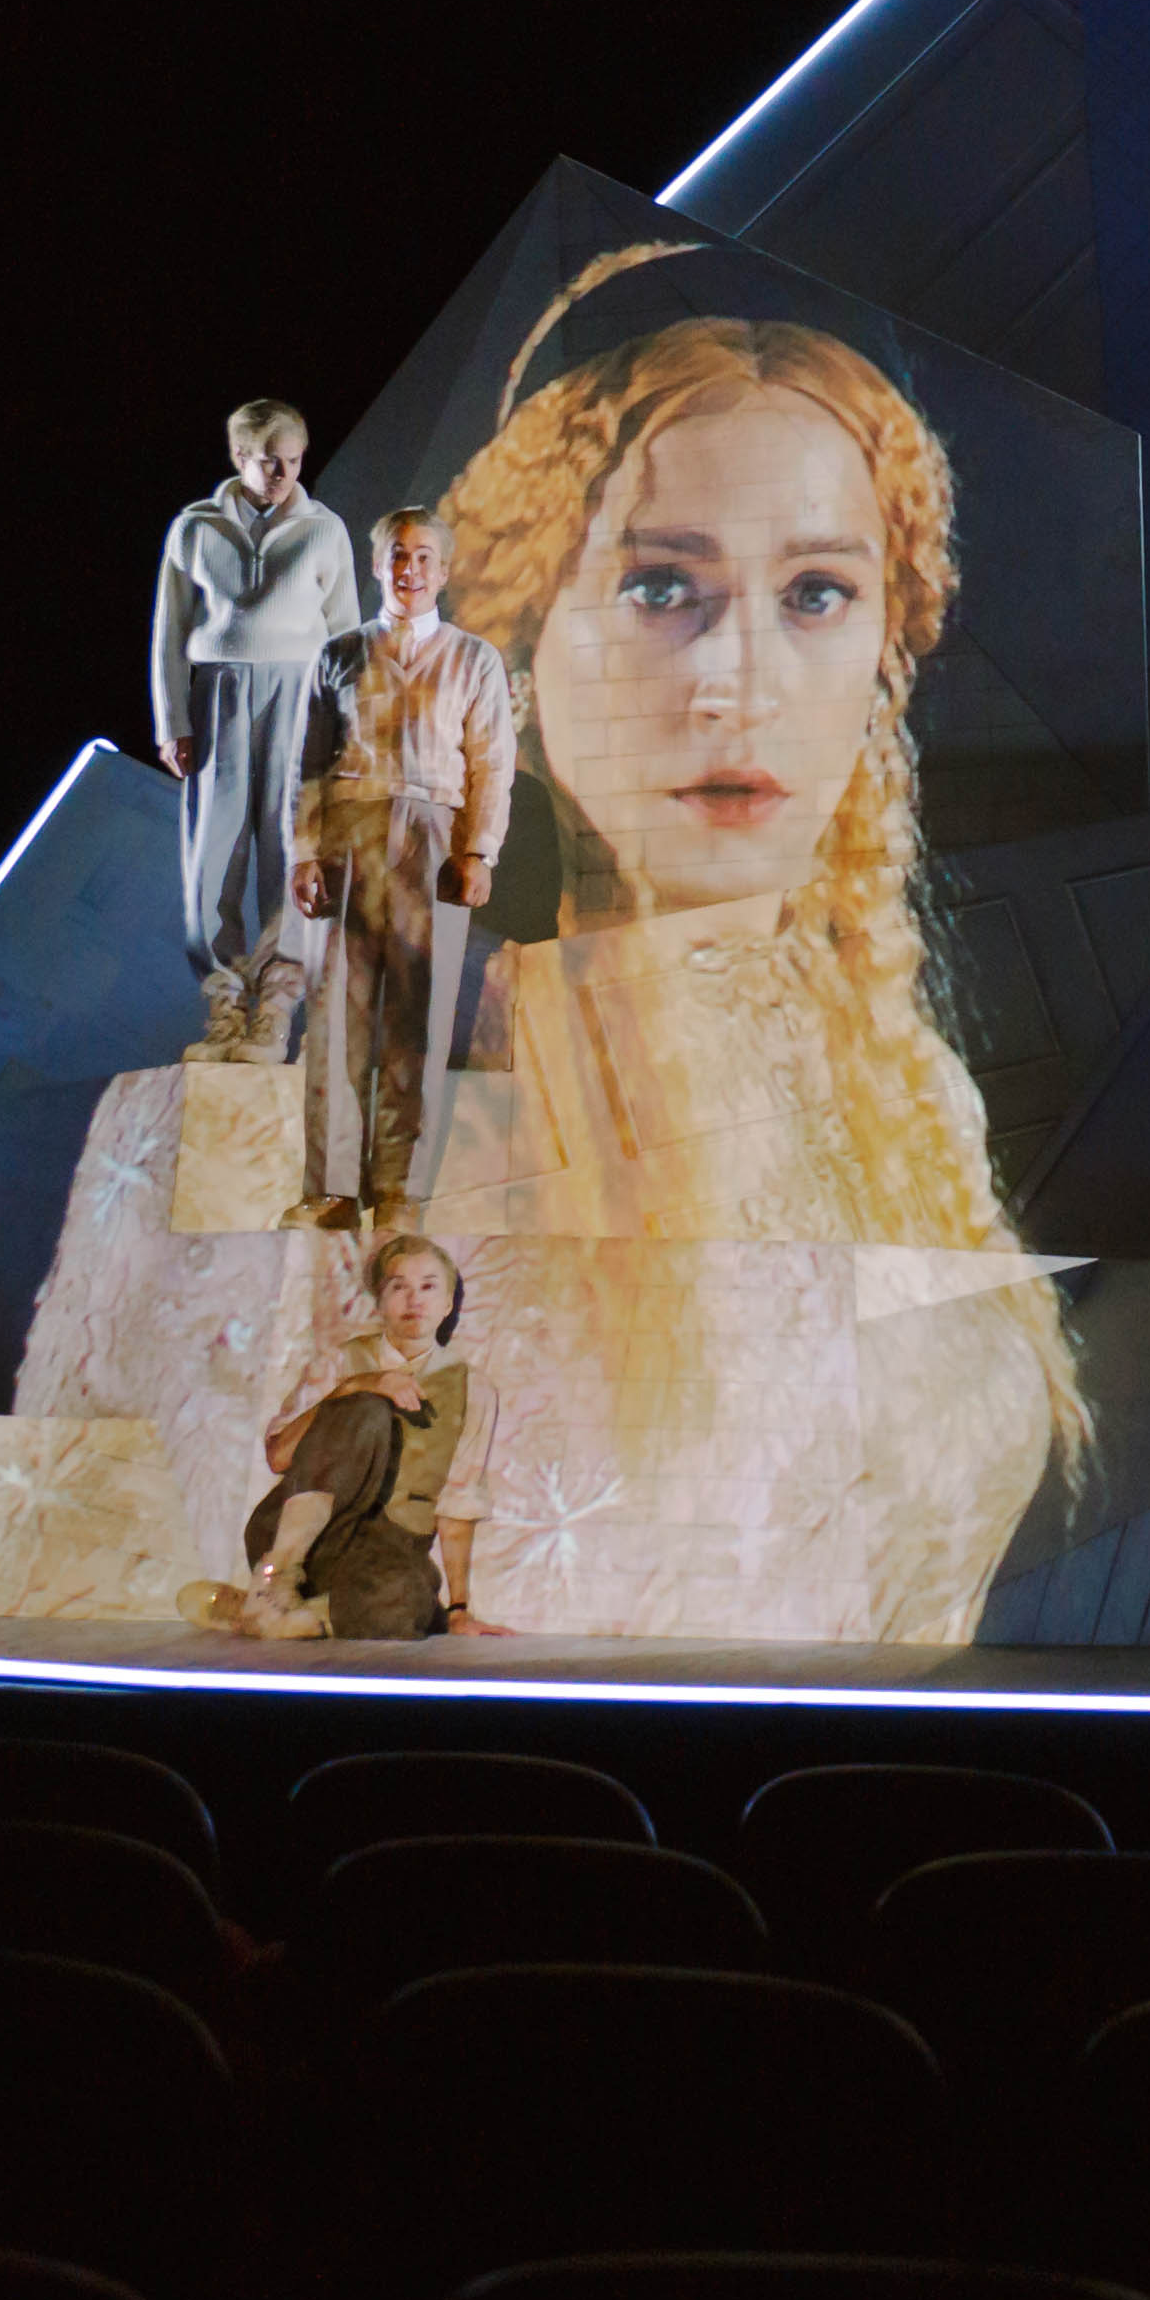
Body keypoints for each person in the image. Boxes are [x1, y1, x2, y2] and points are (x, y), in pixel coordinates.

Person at [414, 241, 1090, 1644]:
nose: (741, 684)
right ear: (519, 638)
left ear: (884, 651)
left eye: (816, 593)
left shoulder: (910, 1093)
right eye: (662, 588)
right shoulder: (428, 1107)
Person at [283, 504, 513, 1232]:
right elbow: (306, 765)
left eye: (423, 558)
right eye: (398, 556)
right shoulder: (339, 653)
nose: (409, 570)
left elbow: (491, 761)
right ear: (377, 565)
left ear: (443, 572)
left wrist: (478, 850)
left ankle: (398, 1189)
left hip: (432, 836)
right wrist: (304, 851)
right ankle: (331, 1188)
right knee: (337, 1013)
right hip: (349, 833)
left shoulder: (474, 659)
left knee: (421, 1015)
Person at [152, 398, 362, 1063]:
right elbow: (169, 630)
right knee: (212, 854)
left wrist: (349, 726)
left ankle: (275, 1007)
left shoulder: (323, 530)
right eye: (269, 461)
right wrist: (172, 721)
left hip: (299, 696)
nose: (283, 473)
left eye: (293, 461)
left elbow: (346, 636)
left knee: (289, 846)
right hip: (219, 692)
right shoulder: (195, 527)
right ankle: (224, 1001)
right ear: (240, 456)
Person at [186, 1236, 473, 1640]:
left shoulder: (472, 1388)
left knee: (406, 1601)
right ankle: (276, 1582)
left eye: (428, 1286)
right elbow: (279, 1457)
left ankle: (270, 1614)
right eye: (399, 1287)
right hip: (298, 1539)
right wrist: (353, 1387)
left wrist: (459, 1609)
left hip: (380, 1550)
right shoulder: (340, 1362)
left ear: (448, 1303)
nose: (414, 1300)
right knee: (367, 1410)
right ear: (380, 1302)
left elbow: (461, 1499)